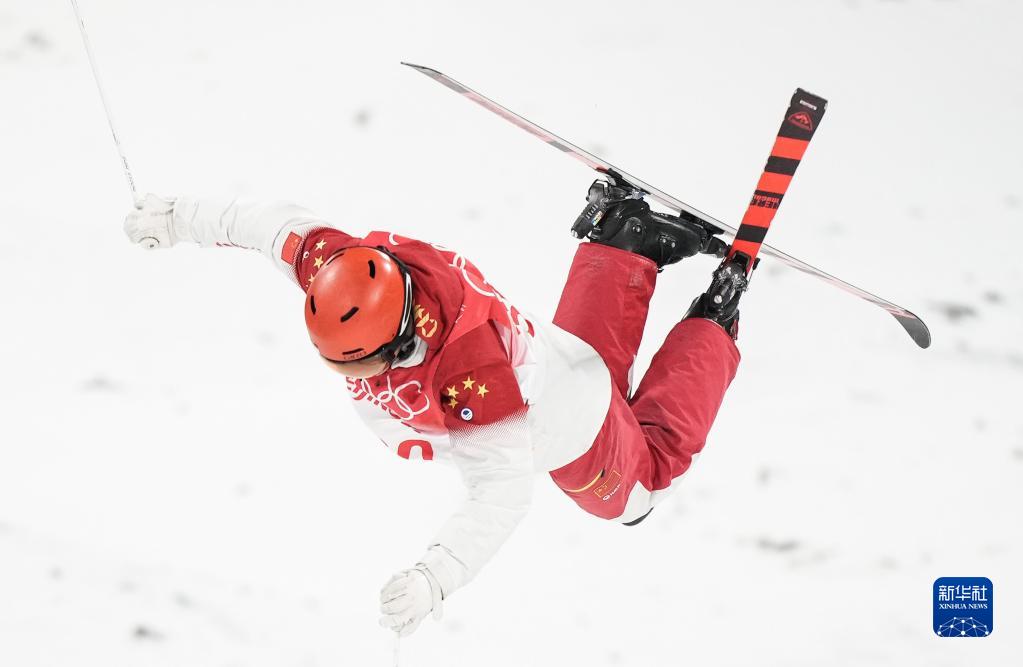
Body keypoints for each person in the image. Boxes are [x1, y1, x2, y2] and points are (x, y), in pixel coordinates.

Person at [123, 181, 745, 636]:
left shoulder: (465, 378)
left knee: (638, 486)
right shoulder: (343, 268)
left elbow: (499, 495)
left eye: (357, 364)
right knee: (592, 373)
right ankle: (624, 240)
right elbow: (264, 224)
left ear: (398, 341)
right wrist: (177, 219)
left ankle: (711, 321)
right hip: (560, 363)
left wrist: (434, 577)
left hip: (571, 429)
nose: (347, 376)